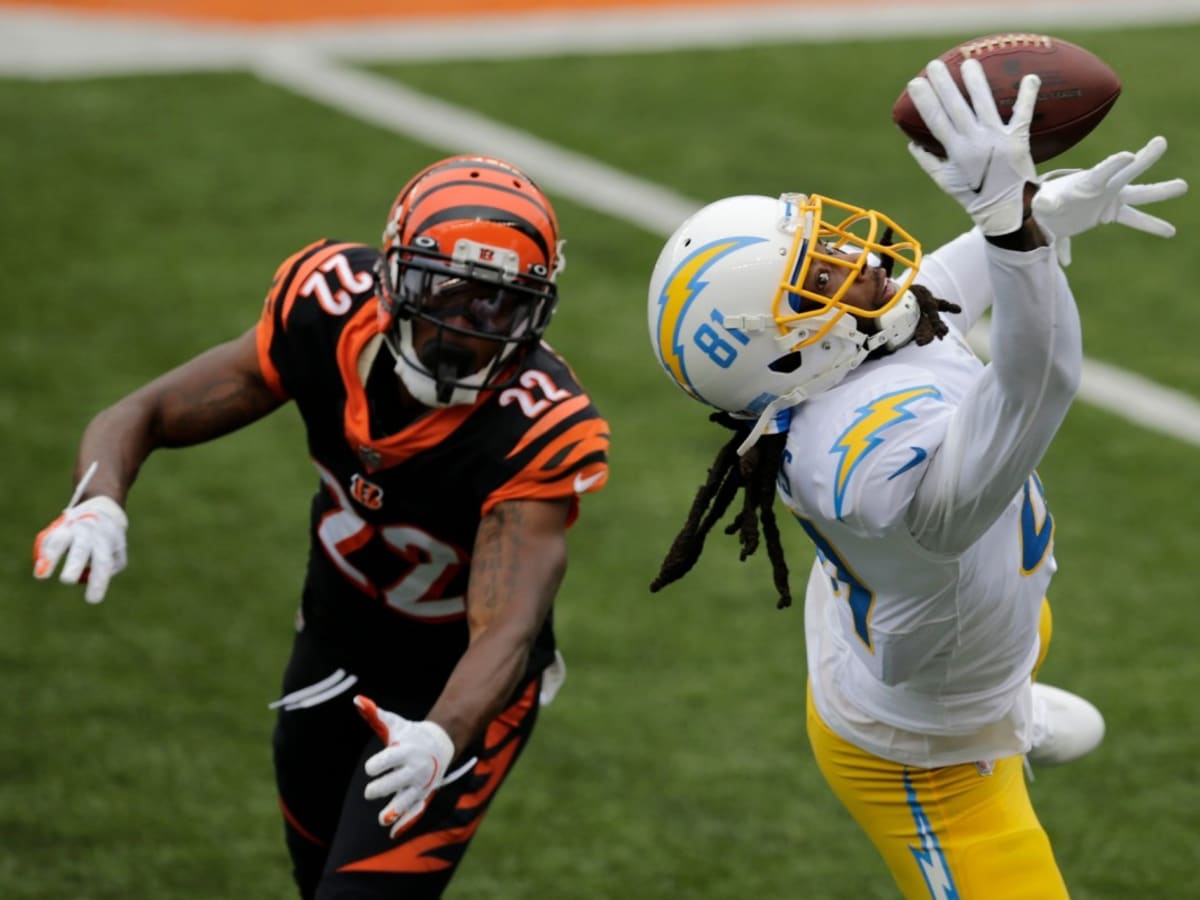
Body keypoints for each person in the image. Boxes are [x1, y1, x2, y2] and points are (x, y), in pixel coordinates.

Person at [645, 58, 1186, 898]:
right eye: (819, 277)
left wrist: (1038, 213)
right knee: (990, 622)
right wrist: (1013, 233)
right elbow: (1035, 386)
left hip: (922, 626)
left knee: (1010, 618)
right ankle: (997, 723)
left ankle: (1014, 706)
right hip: (923, 752)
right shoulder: (867, 462)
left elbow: (940, 286)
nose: (858, 263)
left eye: (824, 243)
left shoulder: (830, 357)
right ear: (787, 346)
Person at [32, 153, 610, 899]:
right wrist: (99, 499)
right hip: (333, 644)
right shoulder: (322, 306)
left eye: (498, 303)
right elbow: (139, 413)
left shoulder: (537, 424)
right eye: (450, 290)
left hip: (461, 690)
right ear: (394, 276)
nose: (466, 326)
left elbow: (506, 629)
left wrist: (439, 735)